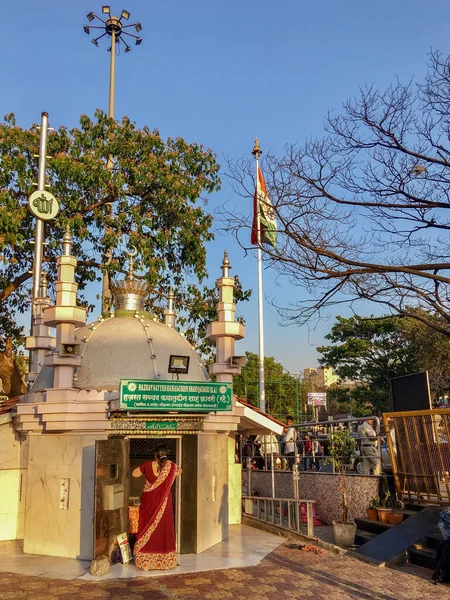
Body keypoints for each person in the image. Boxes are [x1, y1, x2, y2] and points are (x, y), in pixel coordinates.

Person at [132, 444, 182, 570]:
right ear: (166, 455)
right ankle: (165, 562)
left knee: (146, 526)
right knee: (163, 529)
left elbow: (134, 474)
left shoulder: (148, 465)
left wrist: (146, 475)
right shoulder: (171, 467)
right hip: (164, 504)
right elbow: (180, 472)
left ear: (155, 455)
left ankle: (146, 561)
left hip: (148, 502)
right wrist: (170, 463)